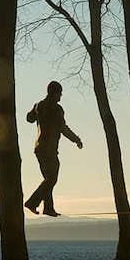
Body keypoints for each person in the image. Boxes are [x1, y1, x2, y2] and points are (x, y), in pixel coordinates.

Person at [24, 81, 83, 217]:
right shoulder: (57, 110)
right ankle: (32, 202)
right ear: (55, 93)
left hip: (39, 148)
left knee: (48, 179)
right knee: (51, 178)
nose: (61, 97)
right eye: (60, 94)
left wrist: (35, 109)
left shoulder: (39, 105)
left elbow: (29, 118)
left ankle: (48, 208)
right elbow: (63, 128)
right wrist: (76, 140)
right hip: (49, 149)